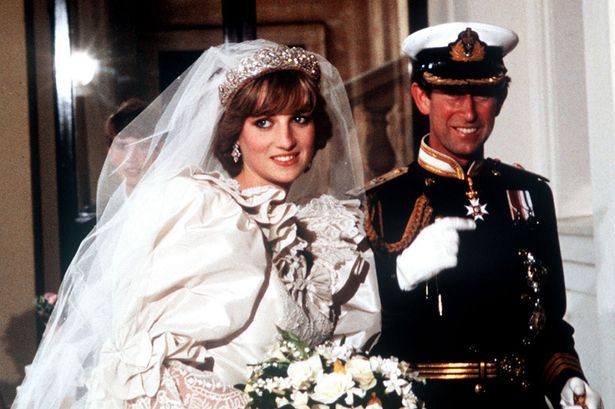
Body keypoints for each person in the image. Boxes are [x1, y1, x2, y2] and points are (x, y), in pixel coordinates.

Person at [13, 40, 380, 408]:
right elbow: (155, 370)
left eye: (299, 119)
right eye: (263, 122)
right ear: (236, 134)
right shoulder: (202, 210)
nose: (285, 140)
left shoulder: (330, 231)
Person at [365, 22, 603, 408]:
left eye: (483, 93)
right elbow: (365, 333)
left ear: (501, 100)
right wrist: (400, 276)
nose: (469, 111)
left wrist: (566, 377)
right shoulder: (382, 200)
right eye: (453, 93)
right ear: (421, 98)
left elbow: (548, 321)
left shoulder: (530, 193)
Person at [104, 98, 155, 195]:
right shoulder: (112, 202)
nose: (131, 158)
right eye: (122, 146)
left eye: (143, 146)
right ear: (109, 151)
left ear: (160, 148)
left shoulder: (182, 196)